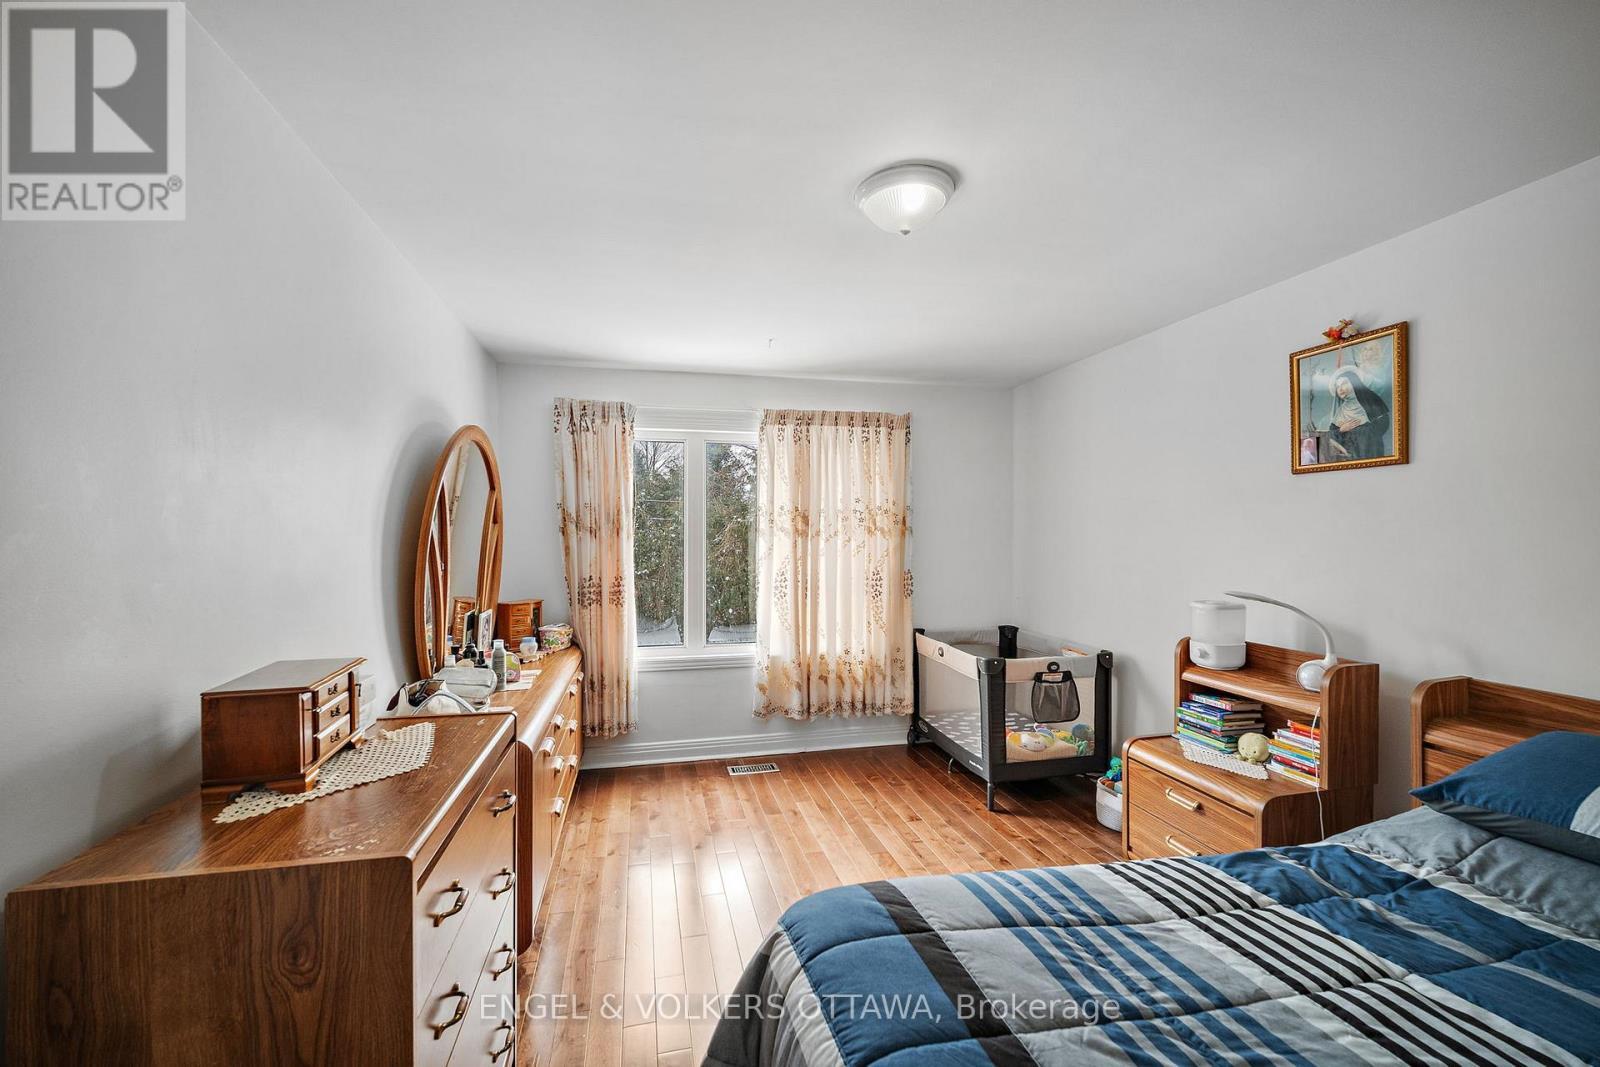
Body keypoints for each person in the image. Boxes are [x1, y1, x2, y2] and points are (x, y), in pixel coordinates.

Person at [1323, 366, 1389, 460]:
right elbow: (1331, 436)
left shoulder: (1371, 400)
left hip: (1369, 452)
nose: (1340, 388)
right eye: (1337, 386)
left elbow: (1383, 424)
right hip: (1347, 457)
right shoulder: (1340, 411)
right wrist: (1342, 430)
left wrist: (1359, 431)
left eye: (1344, 383)